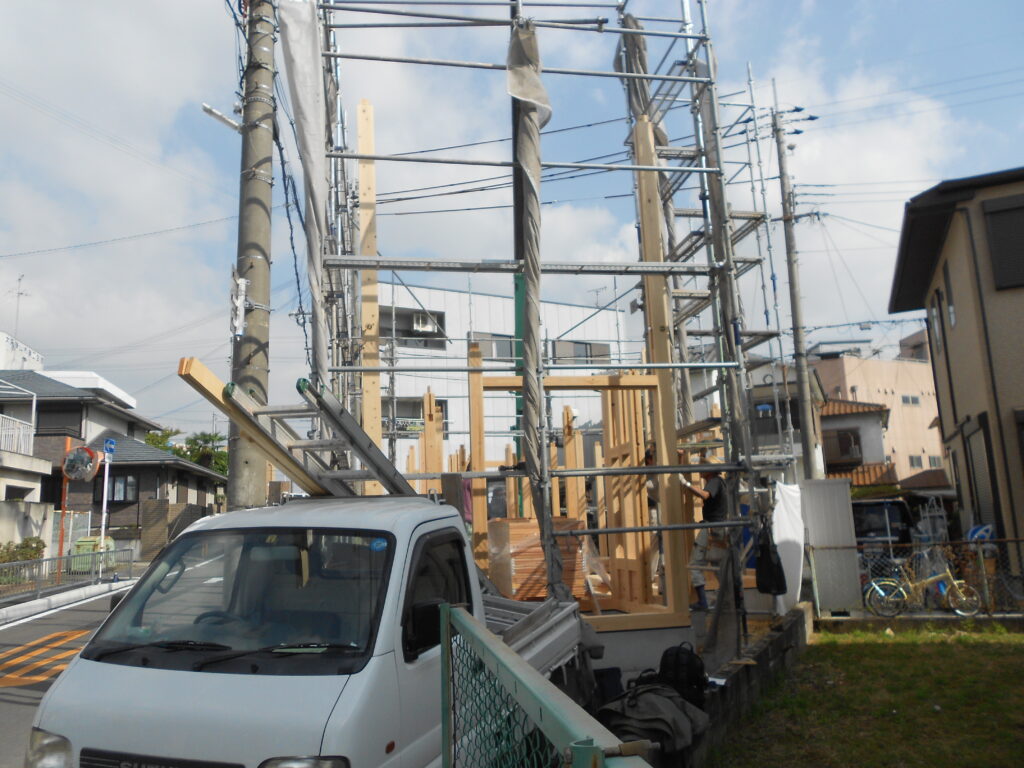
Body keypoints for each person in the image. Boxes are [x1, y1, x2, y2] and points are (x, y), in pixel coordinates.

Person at [679, 460, 725, 611]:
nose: (699, 469)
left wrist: (685, 484)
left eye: (702, 467)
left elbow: (705, 495)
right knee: (719, 566)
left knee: (695, 563)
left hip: (712, 527)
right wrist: (681, 460)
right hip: (719, 528)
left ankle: (703, 603)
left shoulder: (715, 481)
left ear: (710, 470)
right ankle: (731, 598)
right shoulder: (719, 482)